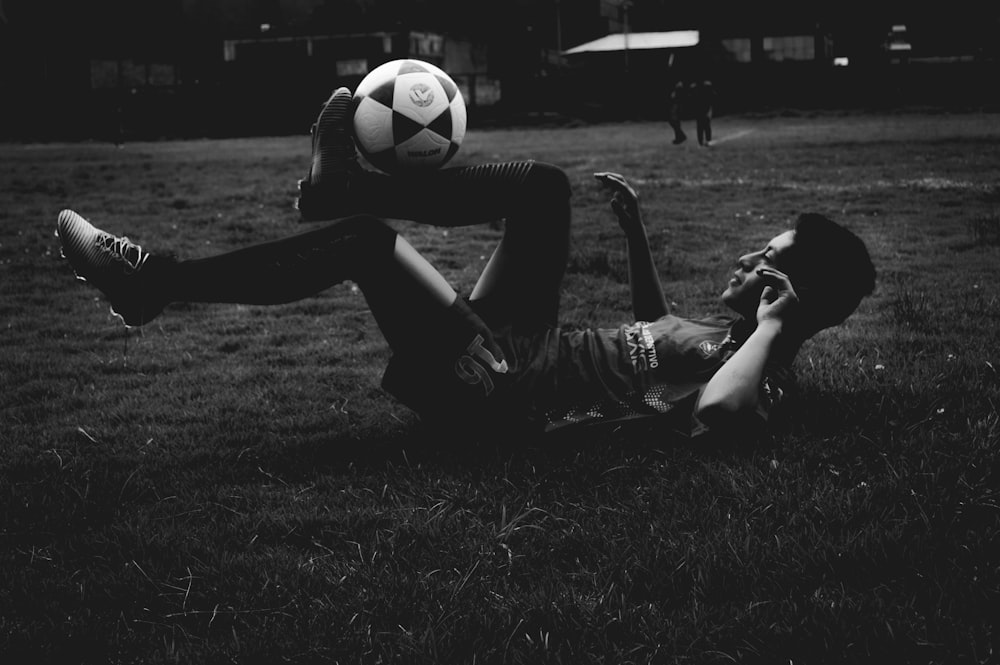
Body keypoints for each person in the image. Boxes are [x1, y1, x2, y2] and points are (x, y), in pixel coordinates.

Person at [56, 87, 876, 447]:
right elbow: (654, 334)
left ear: (784, 293)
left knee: (368, 243)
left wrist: (777, 323)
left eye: (764, 260)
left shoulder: (761, 375)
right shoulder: (727, 338)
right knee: (543, 193)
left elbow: (722, 418)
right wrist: (635, 238)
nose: (746, 258)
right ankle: (344, 186)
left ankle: (149, 282)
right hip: (522, 344)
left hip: (504, 386)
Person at [688, 77, 716, 147]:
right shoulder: (695, 88)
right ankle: (702, 141)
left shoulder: (707, 87)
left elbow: (712, 97)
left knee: (705, 124)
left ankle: (707, 140)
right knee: (701, 125)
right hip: (699, 108)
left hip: (705, 107)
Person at [667, 79, 687, 145]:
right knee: (674, 121)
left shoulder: (679, 89)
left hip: (676, 105)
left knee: (673, 121)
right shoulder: (676, 88)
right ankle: (679, 137)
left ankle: (681, 136)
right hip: (675, 104)